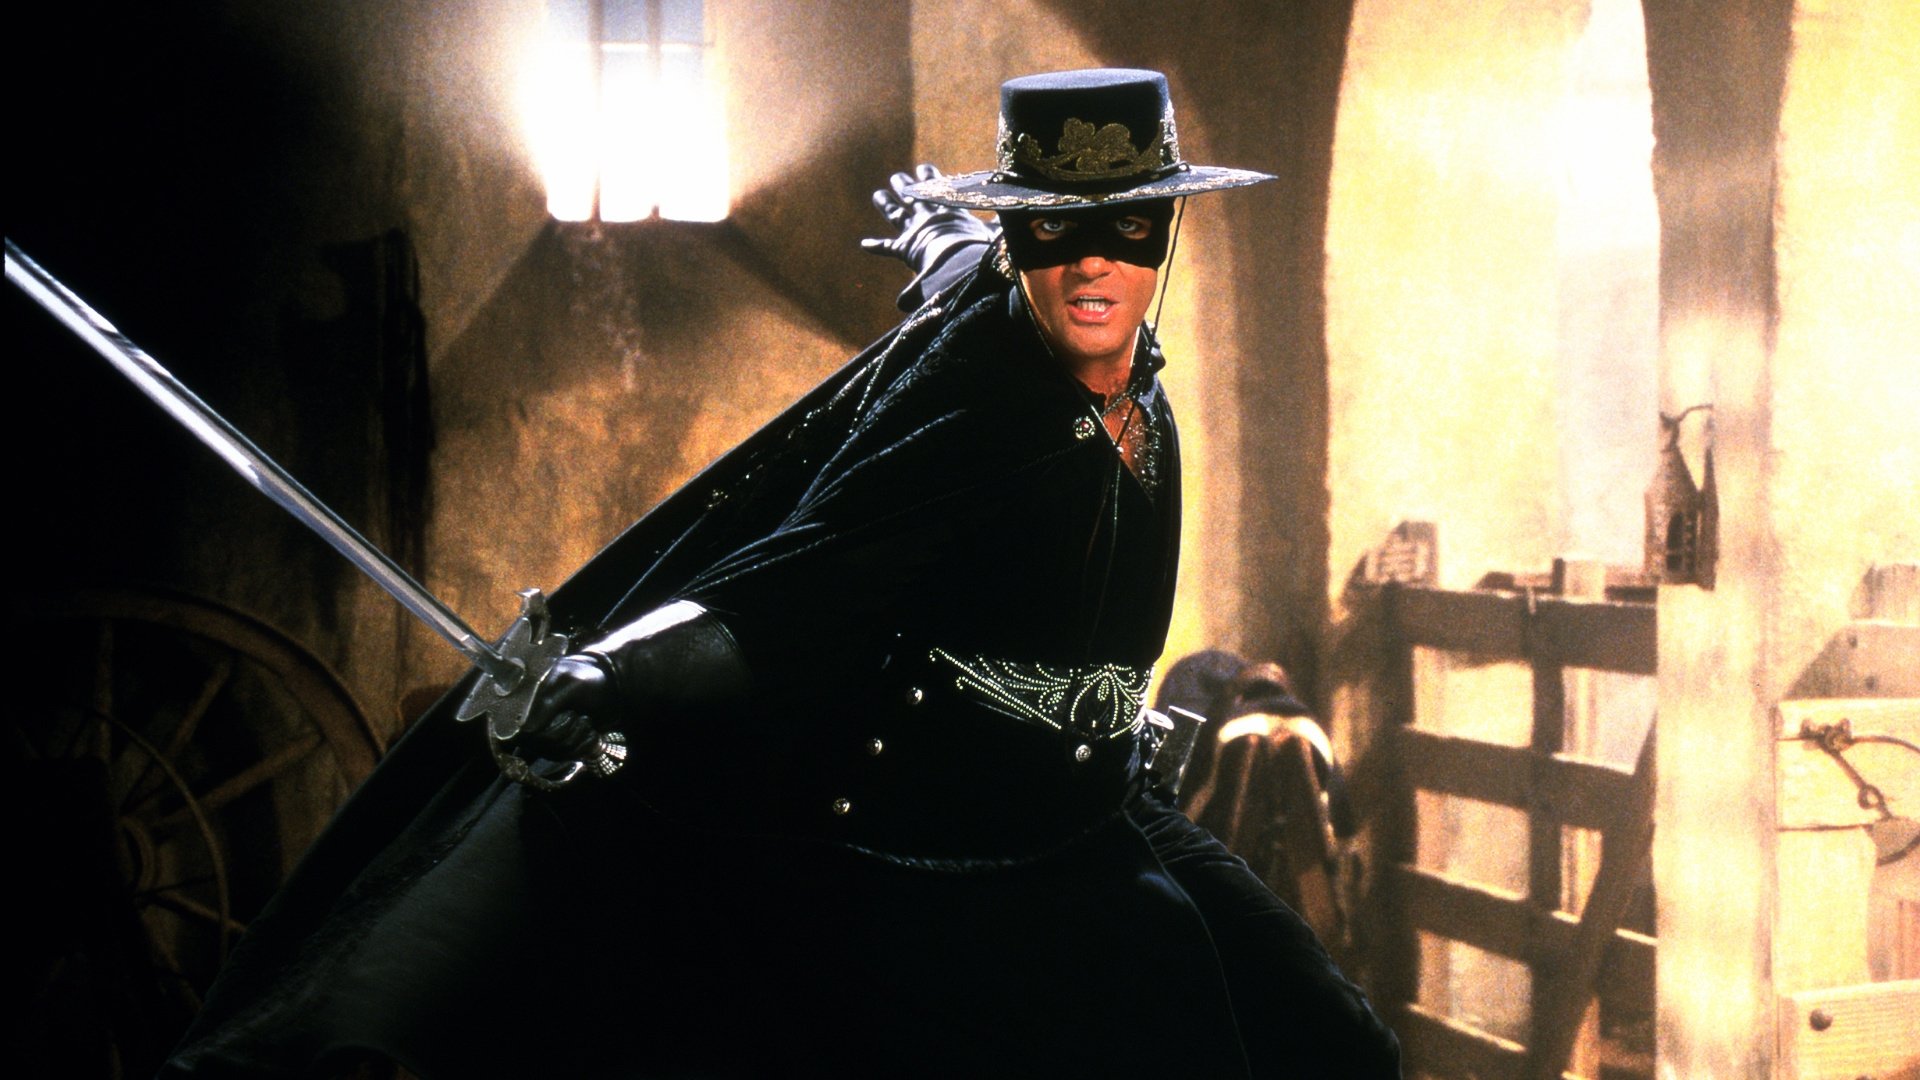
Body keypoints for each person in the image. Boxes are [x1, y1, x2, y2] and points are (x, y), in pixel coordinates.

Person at [162, 68, 1399, 1078]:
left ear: (1168, 226)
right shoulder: (984, 411)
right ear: (1023, 234)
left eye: (1125, 226)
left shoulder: (1088, 348)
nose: (1091, 267)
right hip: (964, 849)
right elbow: (791, 594)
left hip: (1093, 799)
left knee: (1332, 1038)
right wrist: (614, 672)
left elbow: (960, 269)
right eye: (1052, 230)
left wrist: (939, 229)